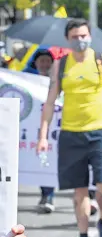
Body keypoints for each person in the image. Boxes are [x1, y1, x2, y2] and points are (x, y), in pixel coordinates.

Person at [36, 18, 102, 237]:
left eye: (84, 36)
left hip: (99, 132)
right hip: (70, 134)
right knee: (78, 191)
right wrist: (43, 136)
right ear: (67, 39)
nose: (80, 40)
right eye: (75, 37)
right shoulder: (61, 65)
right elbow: (49, 102)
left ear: (90, 37)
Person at [23, 49, 58, 213]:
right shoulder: (25, 79)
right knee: (40, 161)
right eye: (41, 61)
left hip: (54, 127)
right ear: (35, 64)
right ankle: (46, 194)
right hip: (33, 128)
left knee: (51, 160)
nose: (44, 64)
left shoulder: (58, 80)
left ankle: (49, 195)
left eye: (47, 61)